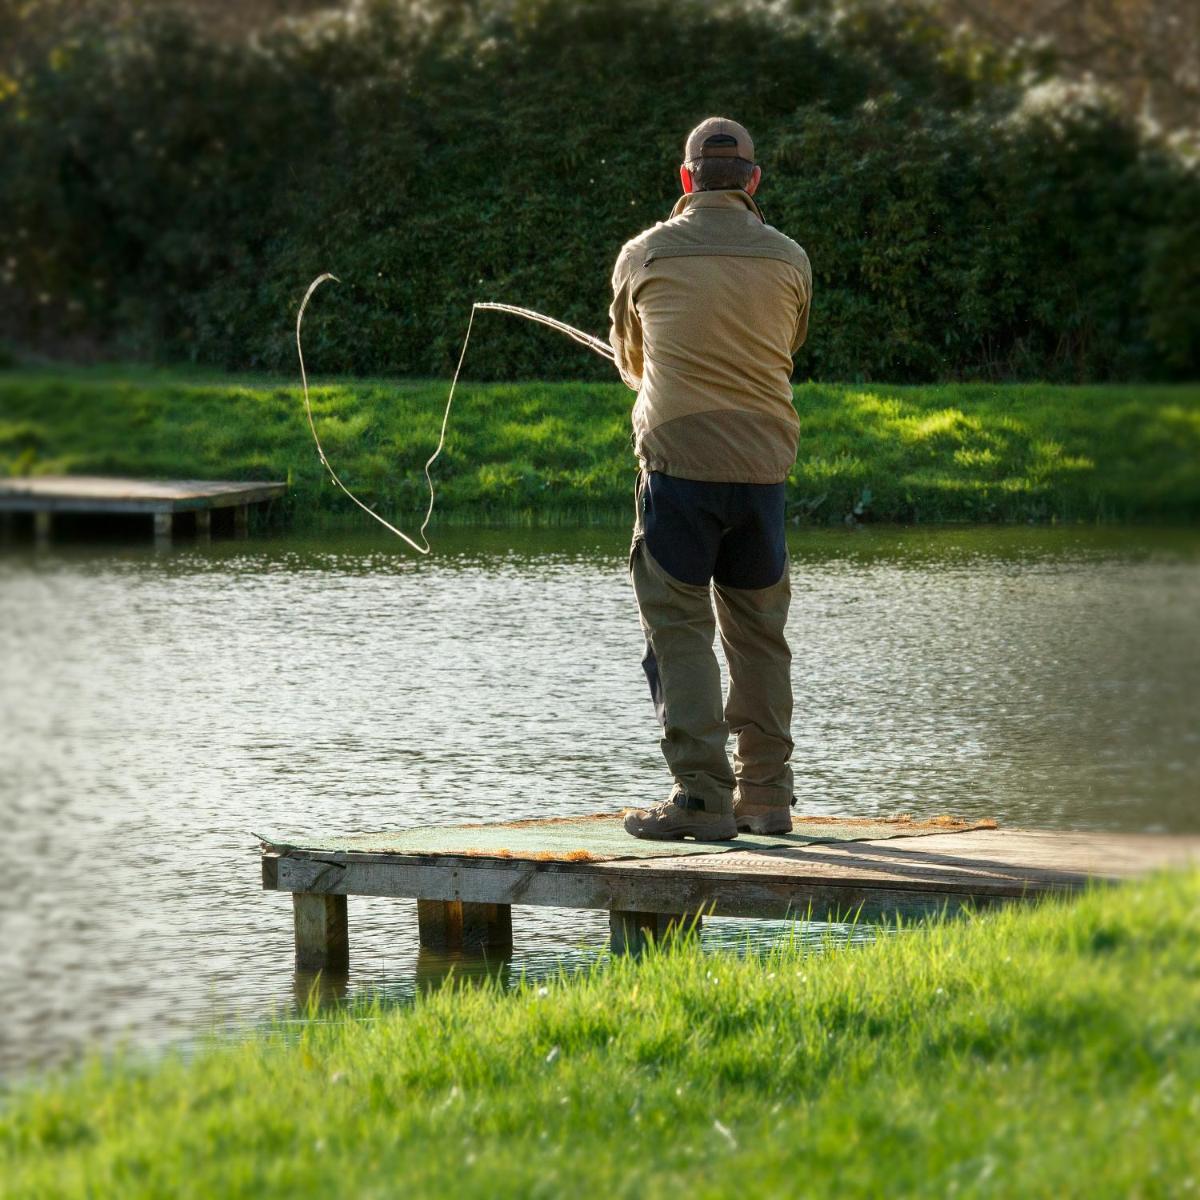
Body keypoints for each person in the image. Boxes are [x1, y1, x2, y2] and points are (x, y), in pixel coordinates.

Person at [610, 116, 812, 841]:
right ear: (753, 180)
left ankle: (701, 799)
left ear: (685, 179)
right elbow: (788, 343)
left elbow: (631, 362)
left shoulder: (644, 254)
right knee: (760, 636)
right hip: (764, 467)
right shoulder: (790, 258)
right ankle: (767, 798)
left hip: (678, 466)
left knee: (679, 628)